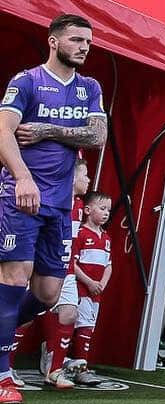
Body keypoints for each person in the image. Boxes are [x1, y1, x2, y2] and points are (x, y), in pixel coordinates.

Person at [0, 15, 107, 404]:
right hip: (21, 196)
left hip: (61, 205)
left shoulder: (89, 87)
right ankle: (1, 374)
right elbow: (3, 131)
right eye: (77, 40)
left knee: (47, 293)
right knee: (13, 280)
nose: (83, 47)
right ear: (53, 41)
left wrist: (47, 130)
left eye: (88, 42)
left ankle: (4, 327)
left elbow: (96, 136)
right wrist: (22, 177)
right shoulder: (26, 81)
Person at [40, 157, 90, 389]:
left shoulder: (80, 207)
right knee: (25, 318)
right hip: (45, 267)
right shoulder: (53, 200)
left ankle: (55, 370)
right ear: (71, 178)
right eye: (85, 176)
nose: (88, 181)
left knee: (70, 314)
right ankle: (7, 366)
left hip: (67, 269)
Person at [69, 190, 112, 381]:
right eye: (102, 208)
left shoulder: (107, 238)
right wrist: (89, 282)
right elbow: (73, 263)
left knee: (88, 326)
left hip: (96, 292)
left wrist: (101, 284)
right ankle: (80, 367)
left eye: (108, 210)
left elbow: (109, 265)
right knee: (82, 326)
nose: (106, 213)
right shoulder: (80, 233)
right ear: (87, 210)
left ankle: (78, 364)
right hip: (81, 289)